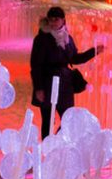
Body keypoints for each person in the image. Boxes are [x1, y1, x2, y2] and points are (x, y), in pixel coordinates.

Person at [30, 7, 103, 139]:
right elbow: (36, 65)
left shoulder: (67, 37)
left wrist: (94, 52)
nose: (53, 22)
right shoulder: (41, 39)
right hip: (47, 83)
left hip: (65, 83)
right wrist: (39, 88)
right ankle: (48, 147)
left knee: (68, 118)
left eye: (56, 19)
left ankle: (57, 142)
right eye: (50, 19)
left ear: (63, 20)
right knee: (47, 118)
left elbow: (74, 58)